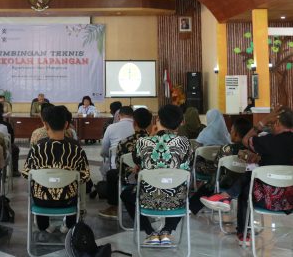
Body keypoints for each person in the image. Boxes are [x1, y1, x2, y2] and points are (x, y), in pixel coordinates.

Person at [200, 107, 293, 246]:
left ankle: (239, 224)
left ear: (277, 123)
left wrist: (263, 121)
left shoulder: (268, 141)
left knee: (248, 183)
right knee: (250, 180)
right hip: (289, 200)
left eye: (272, 123)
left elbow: (245, 140)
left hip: (266, 199)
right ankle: (227, 199)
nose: (270, 126)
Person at [121, 104, 193, 246]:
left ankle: (150, 232)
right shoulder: (185, 142)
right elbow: (187, 166)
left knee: (126, 194)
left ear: (158, 119)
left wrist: (152, 136)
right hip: (176, 199)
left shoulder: (143, 142)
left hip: (147, 198)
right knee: (180, 186)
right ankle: (167, 231)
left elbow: (137, 161)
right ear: (179, 122)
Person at [22, 105, 90, 237]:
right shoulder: (77, 150)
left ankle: (44, 224)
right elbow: (85, 177)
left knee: (38, 189)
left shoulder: (36, 150)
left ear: (45, 125)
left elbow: (26, 174)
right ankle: (69, 224)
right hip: (68, 200)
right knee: (77, 191)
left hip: (41, 201)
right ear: (66, 124)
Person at [189, 117, 252, 215]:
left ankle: (191, 207)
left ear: (236, 134)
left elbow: (215, 168)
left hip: (225, 184)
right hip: (245, 186)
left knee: (210, 184)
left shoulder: (227, 149)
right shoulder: (252, 153)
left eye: (231, 130)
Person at [98, 107, 152, 219]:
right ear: (150, 123)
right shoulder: (155, 141)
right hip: (150, 179)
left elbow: (119, 165)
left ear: (134, 123)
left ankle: (114, 207)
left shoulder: (124, 142)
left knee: (111, 174)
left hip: (129, 177)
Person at [100, 106, 135, 175]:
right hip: (135, 167)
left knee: (104, 166)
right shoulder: (137, 127)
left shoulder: (111, 127)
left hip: (115, 167)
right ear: (133, 116)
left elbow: (104, 150)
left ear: (118, 116)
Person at [0, 102, 20, 176]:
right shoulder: (6, 126)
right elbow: (11, 140)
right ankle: (14, 171)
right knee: (15, 149)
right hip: (3, 151)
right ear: (2, 112)